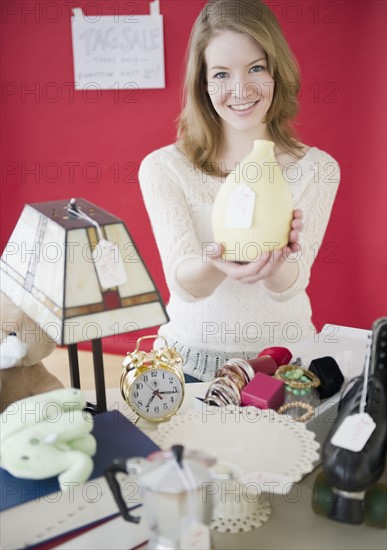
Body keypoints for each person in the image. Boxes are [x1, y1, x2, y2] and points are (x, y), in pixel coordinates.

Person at [138, 0, 340, 381]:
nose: (240, 89)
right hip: (187, 366)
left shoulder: (318, 169)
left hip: (285, 365)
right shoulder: (164, 168)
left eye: (256, 68)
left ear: (276, 72)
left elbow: (290, 286)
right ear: (203, 82)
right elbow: (184, 284)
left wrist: (274, 264)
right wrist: (217, 264)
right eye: (221, 74)